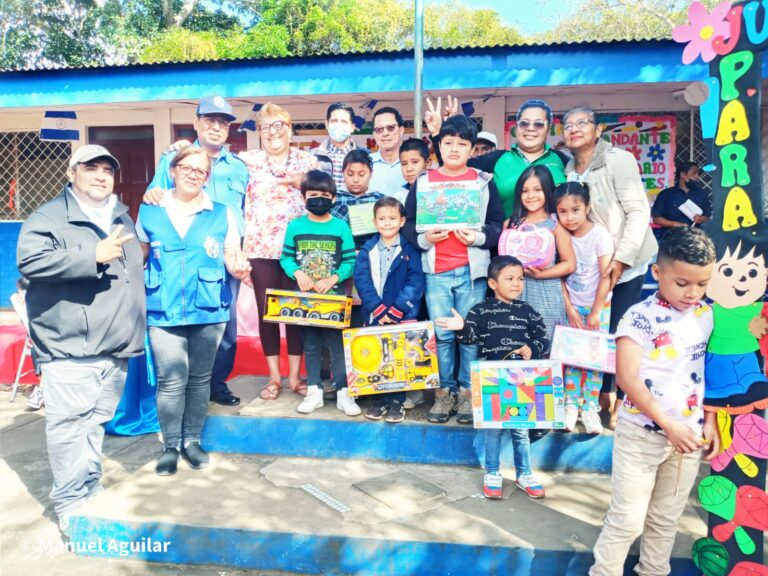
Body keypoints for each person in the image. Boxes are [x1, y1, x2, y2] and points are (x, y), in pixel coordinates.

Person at [17, 144, 146, 535]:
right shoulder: (50, 216)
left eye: (108, 169)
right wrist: (92, 254)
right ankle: (71, 505)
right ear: (72, 173)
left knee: (93, 424)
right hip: (72, 347)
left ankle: (88, 489)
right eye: (91, 168)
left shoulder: (120, 215)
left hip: (114, 346)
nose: (101, 175)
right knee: (70, 427)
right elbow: (31, 261)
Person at [589, 226, 719, 576]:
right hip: (641, 437)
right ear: (657, 272)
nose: (693, 293)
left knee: (665, 521)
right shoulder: (638, 318)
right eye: (683, 283)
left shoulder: (707, 316)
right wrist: (669, 425)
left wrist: (709, 419)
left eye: (703, 284)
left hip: (687, 439)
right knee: (627, 521)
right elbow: (628, 379)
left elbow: (711, 371)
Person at [137, 146, 251, 476]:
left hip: (208, 306)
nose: (193, 174)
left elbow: (232, 256)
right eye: (187, 168)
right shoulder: (150, 209)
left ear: (207, 177)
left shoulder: (221, 212)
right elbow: (139, 255)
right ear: (172, 171)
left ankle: (192, 441)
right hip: (164, 307)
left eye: (201, 171)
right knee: (171, 380)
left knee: (200, 379)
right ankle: (170, 445)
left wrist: (239, 267)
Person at [145, 95, 249, 407]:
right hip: (183, 253)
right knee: (181, 320)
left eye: (223, 123)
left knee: (225, 322)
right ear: (196, 123)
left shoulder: (239, 167)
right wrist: (151, 193)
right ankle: (180, 387)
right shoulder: (173, 159)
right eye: (210, 121)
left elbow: (245, 209)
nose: (216, 128)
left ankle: (216, 383)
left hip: (227, 253)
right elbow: (155, 197)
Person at [404, 114, 504, 425]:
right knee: (443, 335)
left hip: (471, 271)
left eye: (463, 144)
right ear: (437, 147)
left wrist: (477, 237)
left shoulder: (482, 182)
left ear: (473, 148)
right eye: (448, 143)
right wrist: (424, 238)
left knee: (469, 334)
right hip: (436, 271)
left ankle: (466, 393)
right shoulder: (424, 182)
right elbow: (408, 223)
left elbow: (498, 225)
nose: (455, 149)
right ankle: (444, 392)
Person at [563, 105, 658, 427]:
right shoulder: (568, 169)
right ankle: (595, 398)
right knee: (594, 334)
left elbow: (638, 211)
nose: (574, 129)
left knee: (621, 334)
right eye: (568, 125)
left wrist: (622, 258)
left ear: (598, 129)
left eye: (582, 123)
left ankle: (619, 401)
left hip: (625, 265)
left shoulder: (617, 159)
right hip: (591, 271)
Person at [435, 255, 549, 499]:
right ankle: (493, 472)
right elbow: (470, 337)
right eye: (509, 278)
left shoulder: (528, 312)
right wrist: (461, 327)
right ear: (492, 283)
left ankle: (524, 473)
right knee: (493, 430)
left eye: (520, 278)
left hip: (522, 381)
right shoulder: (481, 310)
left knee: (521, 430)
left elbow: (542, 338)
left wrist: (533, 348)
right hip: (492, 380)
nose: (517, 283)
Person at [239, 102, 317, 400]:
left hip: (298, 252)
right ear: (258, 132)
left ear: (290, 129)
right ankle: (274, 378)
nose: (273, 132)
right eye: (266, 127)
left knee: (296, 312)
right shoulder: (247, 161)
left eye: (279, 126)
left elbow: (325, 191)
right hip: (260, 249)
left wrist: (303, 182)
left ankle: (296, 378)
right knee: (268, 314)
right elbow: (210, 162)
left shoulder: (306, 160)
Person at [279, 170, 359, 416]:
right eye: (313, 194)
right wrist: (298, 274)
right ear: (304, 197)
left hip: (334, 299)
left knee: (337, 346)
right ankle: (314, 390)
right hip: (305, 301)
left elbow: (349, 261)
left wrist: (334, 277)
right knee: (311, 345)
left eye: (324, 195)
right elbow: (286, 257)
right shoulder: (295, 226)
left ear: (333, 199)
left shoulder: (340, 227)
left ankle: (343, 391)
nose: (319, 199)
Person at [427, 97, 568, 218]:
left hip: (555, 243)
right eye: (524, 123)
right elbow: (454, 167)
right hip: (505, 243)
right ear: (517, 127)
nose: (530, 128)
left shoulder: (562, 161)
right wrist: (447, 131)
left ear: (548, 128)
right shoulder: (498, 159)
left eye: (538, 124)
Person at [354, 197, 426, 423]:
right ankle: (379, 399)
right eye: (382, 219)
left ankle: (397, 400)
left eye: (392, 218)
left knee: (399, 357)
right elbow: (362, 280)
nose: (387, 223)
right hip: (376, 314)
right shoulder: (367, 250)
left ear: (402, 221)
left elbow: (415, 281)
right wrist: (378, 308)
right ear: (374, 222)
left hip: (402, 315)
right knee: (377, 356)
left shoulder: (409, 250)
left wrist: (396, 310)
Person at [555, 181, 614, 435]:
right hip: (572, 306)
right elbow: (559, 276)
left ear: (587, 207)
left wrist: (596, 310)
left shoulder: (599, 235)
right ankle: (569, 406)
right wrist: (568, 307)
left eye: (575, 210)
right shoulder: (559, 234)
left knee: (593, 359)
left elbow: (606, 275)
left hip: (599, 306)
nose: (569, 217)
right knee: (570, 359)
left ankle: (590, 408)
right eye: (563, 211)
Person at [500, 165, 576, 343]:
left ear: (548, 191)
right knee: (516, 345)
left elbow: (569, 263)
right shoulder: (510, 224)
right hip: (514, 292)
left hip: (547, 293)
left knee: (545, 344)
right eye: (525, 191)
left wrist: (542, 274)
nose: (530, 196)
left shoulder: (555, 225)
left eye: (537, 189)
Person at [397, 137, 431, 410]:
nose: (409, 168)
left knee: (431, 327)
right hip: (405, 270)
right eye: (404, 163)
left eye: (415, 162)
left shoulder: (435, 190)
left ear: (427, 163)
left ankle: (439, 388)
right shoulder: (399, 195)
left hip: (433, 266)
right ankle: (413, 388)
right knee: (411, 325)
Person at [331, 149, 384, 249]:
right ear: (343, 173)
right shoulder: (334, 198)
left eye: (362, 175)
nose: (355, 180)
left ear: (371, 173)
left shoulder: (379, 200)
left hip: (372, 253)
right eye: (350, 174)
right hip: (340, 252)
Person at [312, 102, 364, 191]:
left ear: (352, 127)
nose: (338, 125)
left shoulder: (365, 156)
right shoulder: (312, 156)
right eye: (334, 121)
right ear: (327, 124)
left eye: (344, 121)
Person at [651, 161, 711, 237]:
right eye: (694, 173)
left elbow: (707, 218)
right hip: (670, 239)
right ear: (683, 175)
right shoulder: (666, 194)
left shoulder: (702, 194)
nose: (697, 176)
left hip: (696, 239)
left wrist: (702, 219)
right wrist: (676, 224)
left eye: (697, 173)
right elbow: (656, 219)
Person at [368, 107, 407, 198]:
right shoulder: (366, 163)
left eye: (390, 128)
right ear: (374, 134)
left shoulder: (412, 163)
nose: (385, 133)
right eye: (379, 129)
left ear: (401, 130)